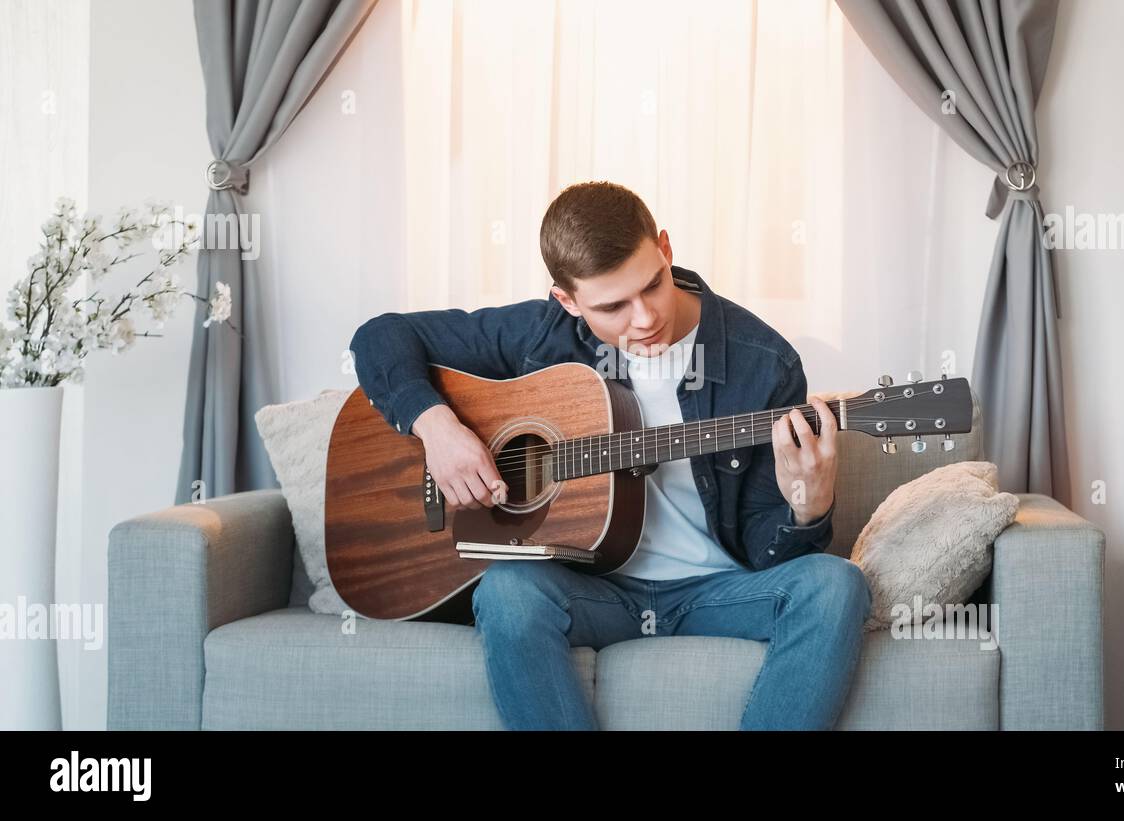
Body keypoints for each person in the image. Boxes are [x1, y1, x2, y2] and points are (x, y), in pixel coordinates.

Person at [349, 181, 869, 730]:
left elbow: (772, 562)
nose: (643, 318)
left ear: (666, 250)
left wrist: (807, 510)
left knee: (836, 585)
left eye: (652, 286)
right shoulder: (541, 334)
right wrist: (437, 427)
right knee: (508, 590)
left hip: (716, 590)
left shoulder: (763, 362)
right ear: (567, 300)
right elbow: (379, 336)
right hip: (592, 589)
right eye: (613, 306)